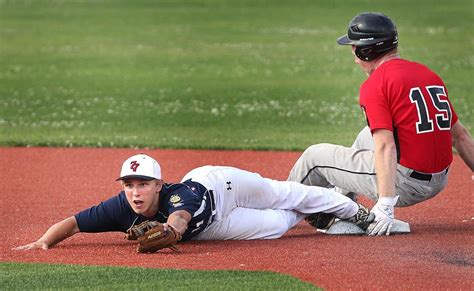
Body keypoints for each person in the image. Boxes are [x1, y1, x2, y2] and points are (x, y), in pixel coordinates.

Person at [288, 12, 474, 236]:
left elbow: (386, 145)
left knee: (313, 157)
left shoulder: (377, 83)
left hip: (405, 185)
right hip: (439, 180)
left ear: (367, 51)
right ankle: (342, 205)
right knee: (366, 135)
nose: (355, 58)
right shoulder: (428, 74)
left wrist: (386, 205)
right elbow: (460, 136)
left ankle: (277, 205)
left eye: (355, 49)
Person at [14, 153, 374, 251]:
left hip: (223, 185)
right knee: (279, 225)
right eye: (129, 185)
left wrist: (168, 231)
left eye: (143, 184)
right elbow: (75, 223)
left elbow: (180, 220)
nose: (135, 192)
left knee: (285, 192)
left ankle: (356, 210)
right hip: (215, 226)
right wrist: (45, 241)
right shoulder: (120, 207)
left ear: (159, 184)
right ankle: (320, 210)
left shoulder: (179, 195)